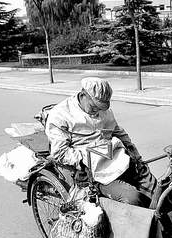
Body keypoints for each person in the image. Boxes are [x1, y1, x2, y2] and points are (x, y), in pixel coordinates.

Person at [45, 77, 157, 208]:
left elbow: (119, 132)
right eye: (94, 107)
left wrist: (137, 157)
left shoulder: (105, 112)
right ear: (83, 95)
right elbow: (60, 153)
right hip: (92, 173)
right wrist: (86, 159)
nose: (97, 111)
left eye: (100, 108)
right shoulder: (60, 115)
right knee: (133, 199)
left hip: (118, 160)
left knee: (156, 191)